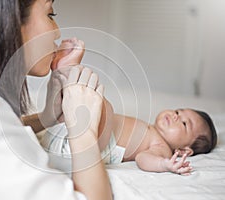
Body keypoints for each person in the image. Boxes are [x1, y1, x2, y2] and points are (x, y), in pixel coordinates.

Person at [0, 0, 113, 200]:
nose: (57, 33)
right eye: (50, 15)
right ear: (9, 21)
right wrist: (84, 133)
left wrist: (45, 117)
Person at [40, 40, 218, 176]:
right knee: (72, 108)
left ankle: (68, 73)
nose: (176, 116)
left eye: (185, 124)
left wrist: (164, 165)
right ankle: (58, 80)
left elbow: (143, 159)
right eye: (179, 111)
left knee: (103, 107)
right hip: (64, 132)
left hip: (87, 148)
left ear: (184, 150)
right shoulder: (149, 128)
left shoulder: (160, 147)